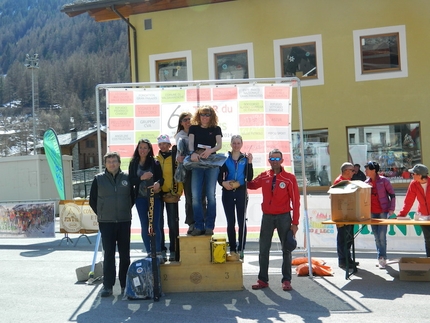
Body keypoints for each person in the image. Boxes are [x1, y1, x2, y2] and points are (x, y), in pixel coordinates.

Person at [247, 149, 300, 291]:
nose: (275, 161)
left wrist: (295, 223)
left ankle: (286, 280)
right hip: (268, 217)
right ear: (269, 160)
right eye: (272, 159)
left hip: (284, 217)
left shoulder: (289, 178)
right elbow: (251, 184)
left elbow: (296, 202)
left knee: (286, 249)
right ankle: (262, 279)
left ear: (282, 161)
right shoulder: (264, 176)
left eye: (277, 159)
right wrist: (245, 168)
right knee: (263, 248)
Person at [89, 152, 134, 297]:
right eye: (109, 162)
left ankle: (125, 284)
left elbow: (132, 198)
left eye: (114, 161)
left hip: (124, 221)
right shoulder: (98, 179)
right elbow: (92, 200)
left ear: (119, 163)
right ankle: (108, 286)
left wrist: (124, 210)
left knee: (125, 254)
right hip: (106, 223)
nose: (112, 164)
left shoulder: (127, 178)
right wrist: (102, 213)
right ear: (105, 164)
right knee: (108, 254)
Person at [188, 105, 222, 236]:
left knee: (210, 196)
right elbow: (191, 143)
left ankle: (209, 226)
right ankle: (198, 226)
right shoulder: (193, 128)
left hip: (212, 163)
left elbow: (219, 145)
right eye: (202, 114)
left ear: (211, 116)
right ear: (199, 116)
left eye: (207, 115)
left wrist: (210, 151)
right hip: (197, 162)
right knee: (195, 196)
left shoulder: (216, 129)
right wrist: (192, 153)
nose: (205, 117)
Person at [128, 139, 165, 262]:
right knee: (144, 225)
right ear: (137, 149)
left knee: (156, 225)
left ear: (149, 150)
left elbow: (161, 179)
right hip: (140, 198)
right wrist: (141, 178)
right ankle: (149, 252)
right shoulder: (133, 163)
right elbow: (131, 180)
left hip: (154, 197)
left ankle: (158, 251)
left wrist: (158, 184)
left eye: (145, 148)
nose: (142, 150)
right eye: (140, 147)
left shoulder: (155, 163)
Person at [218, 135, 254, 260]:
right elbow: (219, 177)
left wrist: (249, 163)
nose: (236, 145)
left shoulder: (244, 158)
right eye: (234, 143)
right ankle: (232, 248)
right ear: (231, 144)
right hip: (227, 192)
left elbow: (249, 178)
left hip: (241, 192)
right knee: (230, 222)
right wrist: (224, 183)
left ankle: (241, 249)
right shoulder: (224, 158)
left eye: (238, 143)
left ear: (242, 144)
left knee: (241, 221)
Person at [174, 112, 206, 234]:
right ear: (181, 123)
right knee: (190, 197)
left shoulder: (198, 131)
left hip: (199, 167)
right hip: (188, 170)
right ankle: (191, 223)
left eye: (189, 119)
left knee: (201, 196)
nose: (188, 121)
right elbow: (179, 151)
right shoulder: (180, 136)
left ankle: (202, 222)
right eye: (185, 120)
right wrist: (179, 157)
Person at [156, 134, 184, 262]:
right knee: (158, 223)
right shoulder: (155, 159)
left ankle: (174, 250)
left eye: (165, 144)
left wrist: (178, 192)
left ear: (169, 145)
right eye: (160, 144)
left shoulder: (175, 158)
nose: (162, 146)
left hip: (171, 193)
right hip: (158, 193)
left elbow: (179, 176)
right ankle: (161, 250)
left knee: (172, 223)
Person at [364, 161, 396, 269]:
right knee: (376, 236)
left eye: (367, 168)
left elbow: (392, 195)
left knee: (382, 236)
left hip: (383, 212)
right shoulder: (366, 182)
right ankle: (380, 258)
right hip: (372, 212)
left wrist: (391, 209)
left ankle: (382, 257)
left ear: (373, 170)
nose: (365, 171)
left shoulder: (384, 181)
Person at [397, 164, 430, 257]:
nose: (412, 175)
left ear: (419, 175)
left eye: (413, 173)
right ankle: (429, 260)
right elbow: (409, 201)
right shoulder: (413, 184)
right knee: (428, 239)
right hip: (423, 216)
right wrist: (401, 215)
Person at [332, 162, 359, 269]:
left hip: (348, 214)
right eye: (352, 170)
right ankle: (343, 260)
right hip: (342, 215)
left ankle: (348, 259)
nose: (354, 172)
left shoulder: (347, 181)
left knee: (348, 238)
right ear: (346, 171)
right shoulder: (340, 182)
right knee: (343, 238)